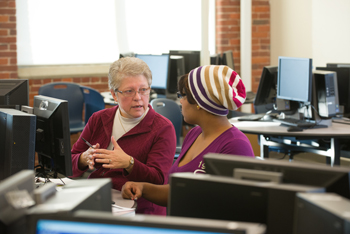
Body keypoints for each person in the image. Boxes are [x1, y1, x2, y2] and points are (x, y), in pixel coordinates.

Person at [122, 65, 255, 207]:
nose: (180, 101)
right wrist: (143, 188)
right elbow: (178, 192)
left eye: (183, 96)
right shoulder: (195, 134)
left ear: (199, 101)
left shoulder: (235, 146)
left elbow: (237, 205)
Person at [70, 57, 176, 215]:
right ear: (114, 94)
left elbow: (159, 180)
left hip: (140, 209)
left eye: (143, 90)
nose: (138, 97)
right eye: (129, 91)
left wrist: (129, 163)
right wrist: (84, 159)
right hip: (98, 199)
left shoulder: (163, 128)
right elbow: (69, 163)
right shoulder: (99, 119)